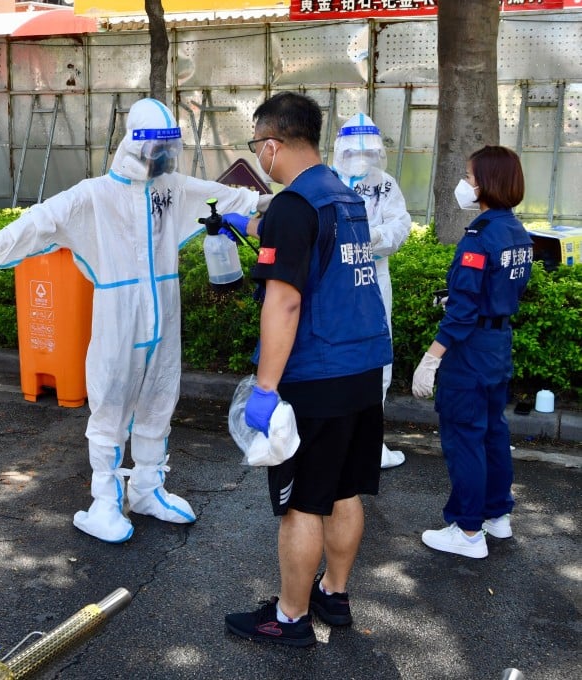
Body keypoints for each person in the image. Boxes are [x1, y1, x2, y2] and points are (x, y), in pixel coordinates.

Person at [0, 98, 263, 543]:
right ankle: (104, 500)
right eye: (157, 149)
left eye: (169, 149)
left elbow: (219, 194)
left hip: (163, 315)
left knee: (159, 396)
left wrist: (272, 201)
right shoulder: (95, 194)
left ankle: (149, 486)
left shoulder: (169, 188)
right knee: (111, 401)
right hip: (119, 318)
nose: (164, 159)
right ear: (135, 145)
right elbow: (43, 219)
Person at [222, 92, 392, 647]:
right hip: (363, 369)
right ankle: (334, 594)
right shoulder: (344, 196)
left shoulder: (294, 206)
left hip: (316, 376)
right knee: (346, 491)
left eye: (257, 147)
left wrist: (266, 389)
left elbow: (286, 302)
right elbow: (314, 253)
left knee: (302, 504)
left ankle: (290, 618)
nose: (259, 157)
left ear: (270, 145)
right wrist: (242, 227)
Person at [413, 145, 532, 559]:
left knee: (465, 437)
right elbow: (502, 290)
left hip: (470, 352)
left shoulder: (478, 239)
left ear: (485, 182)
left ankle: (467, 531)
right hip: (498, 347)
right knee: (493, 433)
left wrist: (431, 359)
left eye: (468, 175)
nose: (464, 183)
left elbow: (462, 314)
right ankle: (497, 517)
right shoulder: (517, 232)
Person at [331, 113, 412, 470]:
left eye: (369, 151)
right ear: (340, 149)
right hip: (333, 280)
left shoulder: (385, 184)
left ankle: (371, 442)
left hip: (374, 278)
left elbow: (400, 224)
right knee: (335, 356)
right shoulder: (326, 180)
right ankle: (337, 437)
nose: (361, 157)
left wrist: (377, 238)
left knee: (377, 356)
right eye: (354, 151)